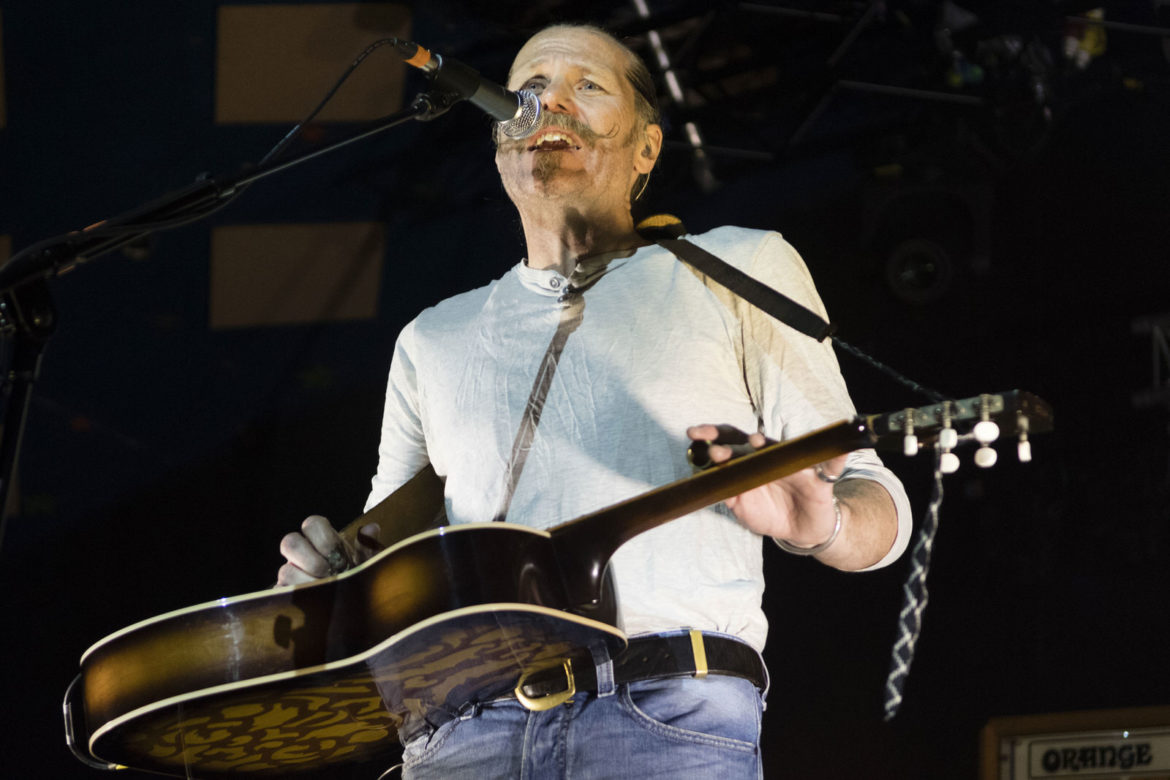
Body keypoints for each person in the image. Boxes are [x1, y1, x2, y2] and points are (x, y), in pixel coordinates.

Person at [276, 23, 912, 779]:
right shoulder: (431, 338)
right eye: (532, 87)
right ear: (501, 145)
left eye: (588, 86)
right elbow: (396, 561)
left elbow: (877, 501)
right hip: (461, 733)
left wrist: (824, 524)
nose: (550, 103)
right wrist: (334, 576)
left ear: (645, 149)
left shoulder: (739, 267)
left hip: (664, 714)